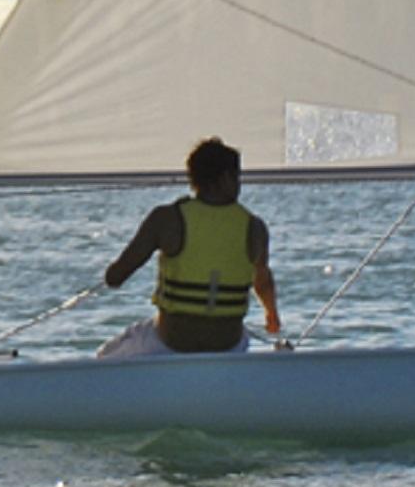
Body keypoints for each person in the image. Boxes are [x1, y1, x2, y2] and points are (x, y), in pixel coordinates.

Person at [97, 136, 281, 358]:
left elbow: (115, 278)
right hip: (227, 345)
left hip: (171, 343)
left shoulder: (166, 219)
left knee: (105, 355)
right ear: (225, 178)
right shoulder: (255, 228)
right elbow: (262, 281)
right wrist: (271, 313)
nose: (239, 184)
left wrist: (110, 273)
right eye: (237, 176)